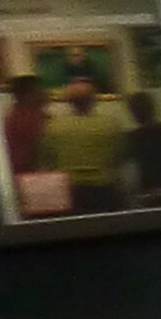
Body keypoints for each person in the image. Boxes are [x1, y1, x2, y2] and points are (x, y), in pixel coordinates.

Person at [35, 73, 132, 214]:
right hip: (104, 189)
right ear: (93, 100)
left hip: (69, 190)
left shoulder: (53, 126)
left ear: (69, 101)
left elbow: (46, 159)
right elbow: (121, 156)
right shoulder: (110, 125)